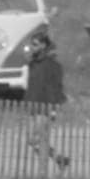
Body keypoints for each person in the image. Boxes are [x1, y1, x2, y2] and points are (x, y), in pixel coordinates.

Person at [23, 32, 70, 170]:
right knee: (32, 140)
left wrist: (53, 109)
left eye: (35, 44)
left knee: (39, 139)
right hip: (33, 106)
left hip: (45, 108)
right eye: (31, 44)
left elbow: (55, 88)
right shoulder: (33, 64)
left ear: (43, 45)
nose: (32, 47)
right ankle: (59, 159)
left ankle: (43, 171)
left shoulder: (52, 65)